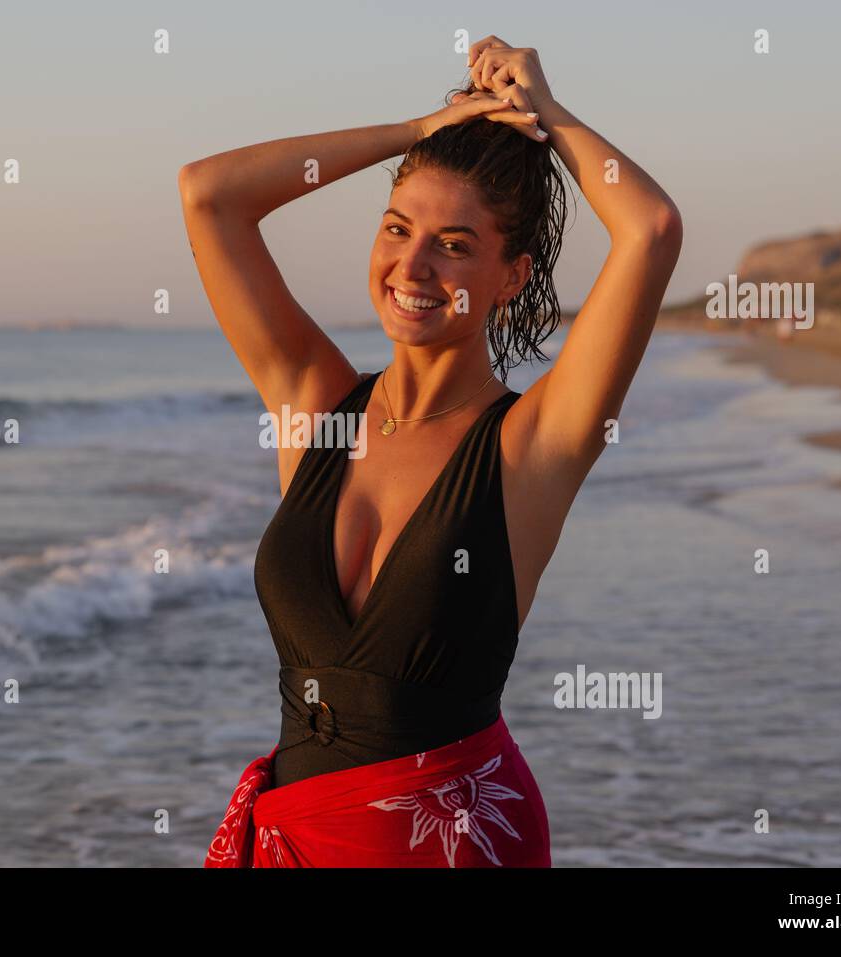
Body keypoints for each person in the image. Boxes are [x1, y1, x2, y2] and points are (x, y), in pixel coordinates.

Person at [180, 35, 682, 867]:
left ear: (511, 276)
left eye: (453, 243)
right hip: (297, 840)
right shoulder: (315, 406)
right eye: (396, 228)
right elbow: (209, 197)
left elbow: (651, 227)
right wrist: (417, 129)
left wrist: (548, 115)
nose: (410, 264)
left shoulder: (530, 448)